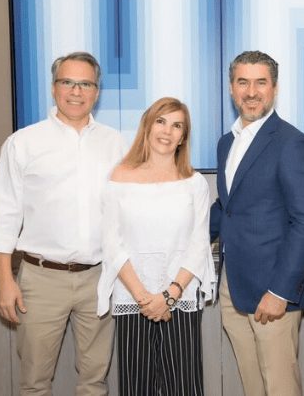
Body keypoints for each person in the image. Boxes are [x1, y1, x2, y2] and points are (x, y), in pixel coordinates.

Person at [0, 51, 126, 394]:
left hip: (99, 278)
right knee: (35, 383)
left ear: (97, 91)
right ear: (53, 87)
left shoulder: (116, 143)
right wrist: (4, 281)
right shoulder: (23, 143)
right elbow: (4, 217)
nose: (76, 91)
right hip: (41, 279)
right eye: (67, 82)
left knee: (95, 381)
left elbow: (127, 209)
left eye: (85, 84)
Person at [210, 50, 304, 396]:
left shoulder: (292, 143)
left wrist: (280, 292)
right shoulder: (227, 143)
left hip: (273, 291)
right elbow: (228, 207)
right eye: (243, 82)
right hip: (233, 287)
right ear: (231, 88)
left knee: (280, 388)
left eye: (260, 82)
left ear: (274, 88)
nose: (251, 91)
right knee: (252, 386)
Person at [96, 97, 216, 395]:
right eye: (161, 121)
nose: (167, 131)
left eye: (177, 126)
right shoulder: (119, 177)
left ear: (183, 137)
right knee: (137, 388)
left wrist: (169, 295)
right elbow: (111, 243)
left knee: (184, 388)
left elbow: (198, 244)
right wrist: (144, 298)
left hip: (180, 298)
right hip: (133, 297)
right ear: (147, 126)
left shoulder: (194, 183)